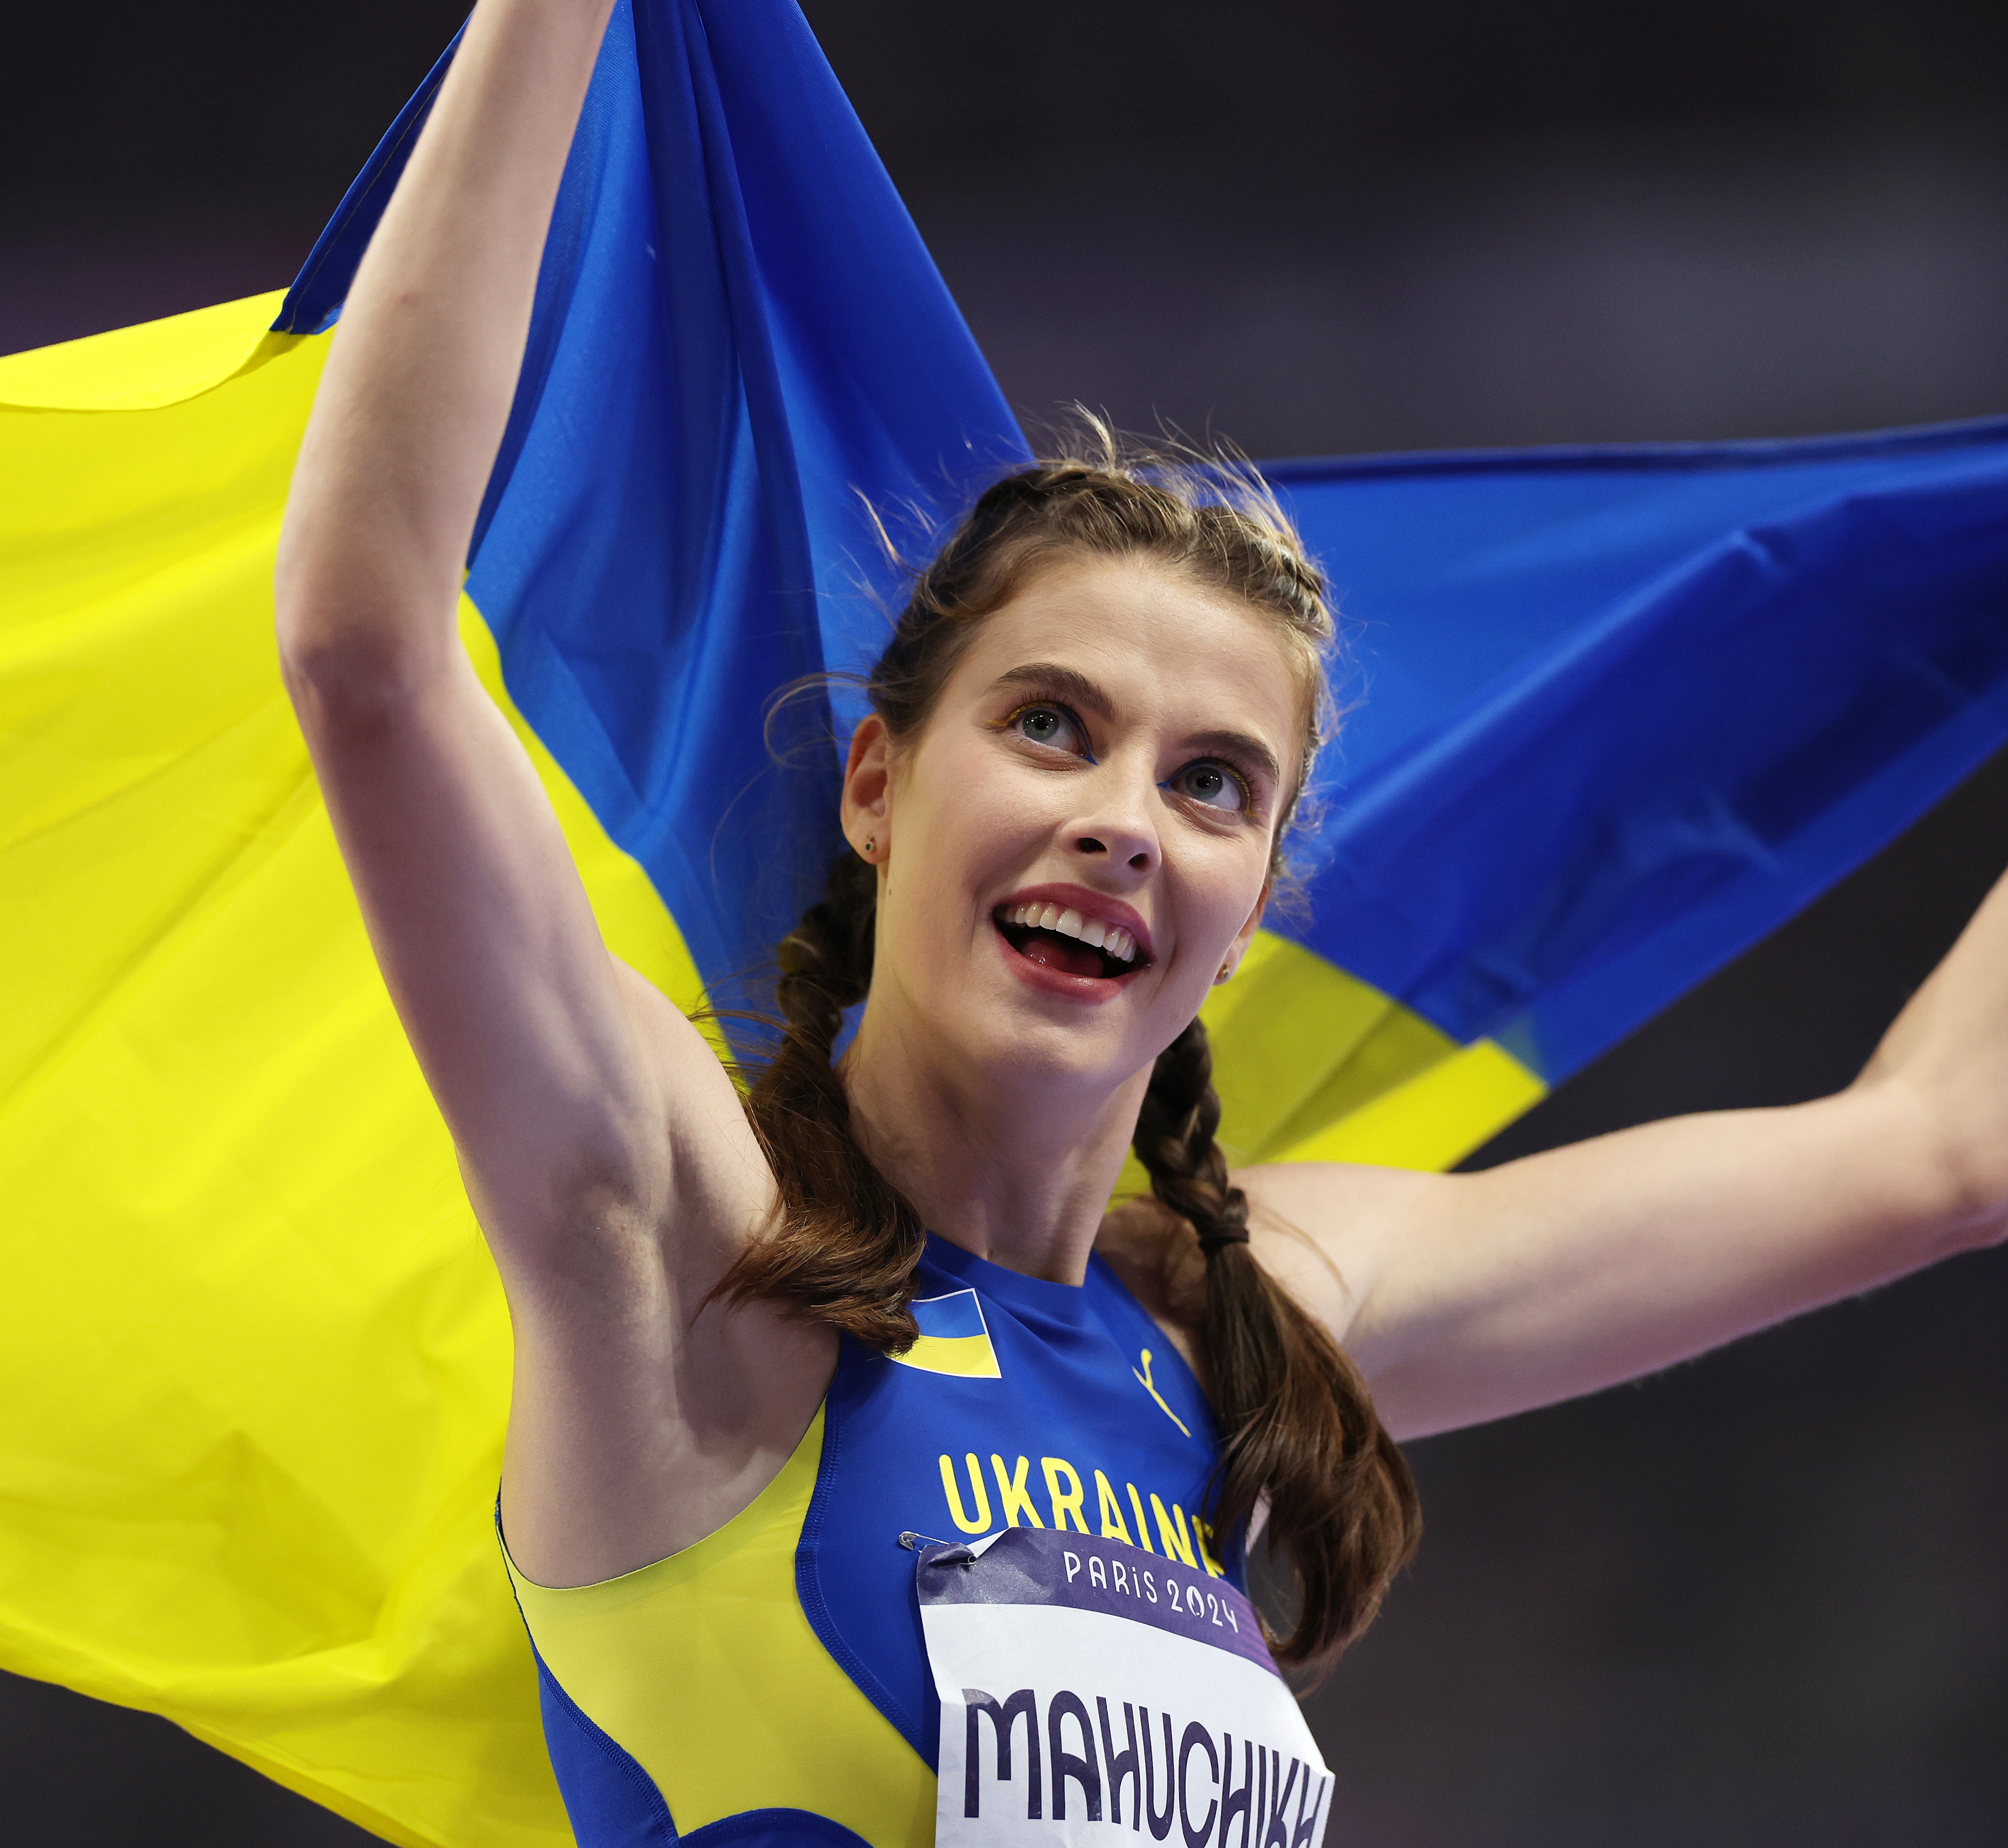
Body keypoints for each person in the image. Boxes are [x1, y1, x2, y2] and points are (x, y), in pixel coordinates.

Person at [273, 1, 2008, 1840]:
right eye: (1049, 727)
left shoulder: (1226, 1322)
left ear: (1249, 906)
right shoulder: (693, 1248)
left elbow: (1939, 1146)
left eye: (1209, 783)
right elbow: (367, 655)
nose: (1119, 823)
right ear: (874, 785)